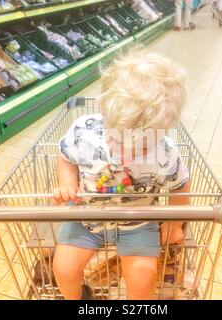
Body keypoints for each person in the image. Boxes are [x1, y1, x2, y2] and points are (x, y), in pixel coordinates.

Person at [52, 49, 190, 300]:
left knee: (143, 280)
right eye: (119, 142)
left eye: (143, 147)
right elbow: (65, 157)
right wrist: (67, 182)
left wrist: (173, 224)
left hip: (137, 223)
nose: (127, 155)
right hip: (85, 218)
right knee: (63, 269)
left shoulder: (166, 152)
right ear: (105, 113)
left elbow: (180, 185)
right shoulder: (84, 132)